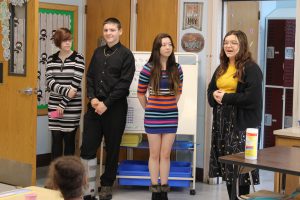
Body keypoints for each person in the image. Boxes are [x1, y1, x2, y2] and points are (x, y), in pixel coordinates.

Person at [80, 17, 135, 200]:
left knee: (112, 148)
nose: (108, 33)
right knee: (87, 147)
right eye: (106, 30)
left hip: (115, 108)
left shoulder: (126, 55)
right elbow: (90, 78)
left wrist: (106, 103)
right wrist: (93, 98)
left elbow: (123, 84)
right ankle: (87, 186)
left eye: (112, 30)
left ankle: (106, 184)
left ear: (120, 31)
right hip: (95, 107)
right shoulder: (97, 53)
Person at [207, 30, 263, 199]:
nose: (228, 46)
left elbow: (252, 98)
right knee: (228, 169)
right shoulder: (221, 67)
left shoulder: (251, 68)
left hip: (241, 126)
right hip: (222, 125)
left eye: (233, 43)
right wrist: (214, 96)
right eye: (226, 43)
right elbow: (210, 90)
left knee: (241, 171)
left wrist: (225, 97)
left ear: (242, 46)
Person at [137, 33, 184, 200]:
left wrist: (169, 105)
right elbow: (140, 94)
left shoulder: (177, 68)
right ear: (157, 48)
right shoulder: (148, 68)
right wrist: (149, 108)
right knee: (154, 154)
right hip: (153, 117)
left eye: (170, 44)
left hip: (171, 116)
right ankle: (155, 191)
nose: (167, 47)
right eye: (163, 44)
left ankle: (164, 190)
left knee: (166, 154)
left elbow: (178, 92)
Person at [46, 27, 85, 160]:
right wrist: (66, 91)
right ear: (58, 42)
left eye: (69, 40)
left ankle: (69, 176)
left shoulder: (79, 58)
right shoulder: (51, 59)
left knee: (69, 142)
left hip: (71, 108)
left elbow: (75, 87)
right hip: (53, 107)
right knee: (56, 141)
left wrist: (62, 104)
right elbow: (49, 82)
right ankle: (55, 175)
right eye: (64, 40)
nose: (68, 43)